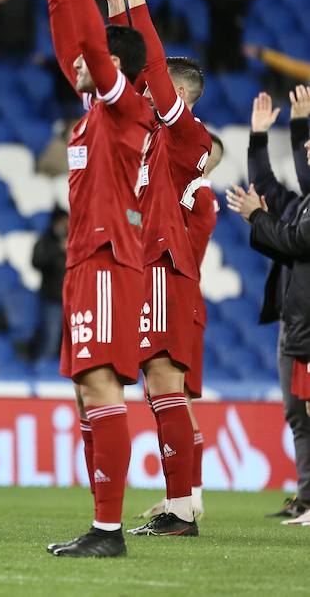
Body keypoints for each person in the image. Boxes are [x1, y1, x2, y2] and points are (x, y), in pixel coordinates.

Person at [40, 0, 153, 558]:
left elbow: (88, 48)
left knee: (102, 385)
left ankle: (109, 529)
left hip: (110, 259)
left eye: (95, 63)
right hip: (89, 259)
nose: (78, 68)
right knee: (89, 390)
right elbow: (74, 47)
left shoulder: (124, 108)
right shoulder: (96, 116)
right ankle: (101, 523)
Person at [97, 0, 209, 538]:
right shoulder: (150, 126)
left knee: (161, 378)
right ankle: (183, 502)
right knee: (157, 382)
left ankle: (180, 511)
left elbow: (152, 72)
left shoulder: (183, 133)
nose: (144, 88)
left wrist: (137, 0)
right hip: (148, 259)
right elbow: (129, 65)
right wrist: (115, 9)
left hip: (162, 261)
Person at [228, 90, 310, 523]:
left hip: (307, 326)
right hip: (295, 323)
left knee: (307, 412)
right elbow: (267, 187)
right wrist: (259, 139)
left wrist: (299, 128)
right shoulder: (301, 205)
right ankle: (307, 496)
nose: (306, 155)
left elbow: (293, 239)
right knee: (298, 413)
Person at [138, 131, 224, 524]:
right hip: (179, 298)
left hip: (177, 297)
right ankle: (185, 499)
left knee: (174, 397)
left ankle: (189, 499)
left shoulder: (196, 196)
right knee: (171, 398)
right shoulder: (189, 194)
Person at [31, 209, 68, 361]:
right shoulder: (46, 241)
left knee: (68, 342)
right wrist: (58, 250)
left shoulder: (72, 240)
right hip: (52, 299)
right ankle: (43, 371)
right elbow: (36, 261)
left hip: (71, 300)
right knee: (51, 339)